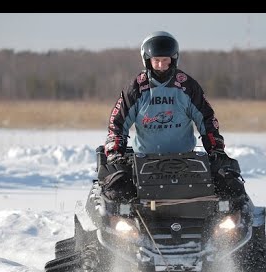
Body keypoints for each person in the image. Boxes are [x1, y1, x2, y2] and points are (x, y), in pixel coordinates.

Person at [101, 30, 244, 201]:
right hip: (143, 161)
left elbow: (207, 119)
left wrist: (215, 148)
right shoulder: (136, 88)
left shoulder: (187, 86)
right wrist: (115, 152)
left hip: (186, 160)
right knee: (117, 191)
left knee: (231, 185)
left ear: (174, 59)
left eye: (165, 60)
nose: (161, 66)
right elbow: (118, 123)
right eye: (157, 61)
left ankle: (230, 223)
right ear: (147, 60)